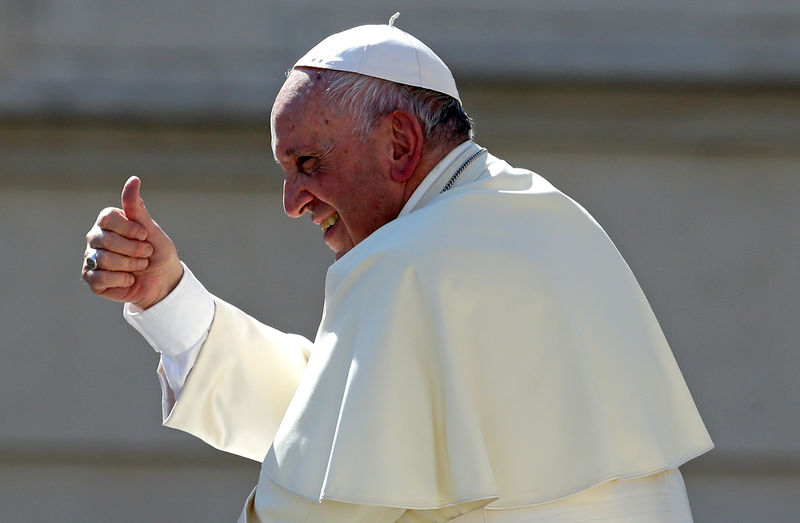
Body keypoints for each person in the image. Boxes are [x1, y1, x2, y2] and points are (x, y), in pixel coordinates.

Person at [82, 18, 713, 522]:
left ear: (402, 145)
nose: (293, 201)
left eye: (307, 162)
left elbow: (320, 497)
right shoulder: (551, 218)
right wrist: (168, 298)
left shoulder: (407, 258)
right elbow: (345, 418)